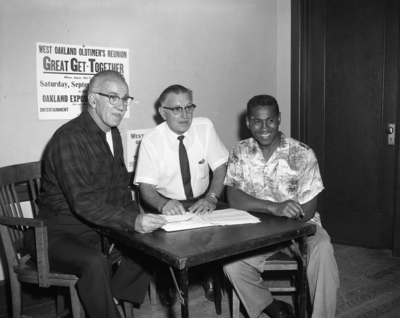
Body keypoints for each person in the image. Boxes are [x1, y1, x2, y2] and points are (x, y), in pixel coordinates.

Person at [24, 70, 166, 318]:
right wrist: (132, 221)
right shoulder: (69, 138)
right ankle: (104, 308)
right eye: (113, 97)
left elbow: (121, 188)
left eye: (125, 99)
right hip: (55, 235)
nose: (121, 106)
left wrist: (139, 221)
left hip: (97, 230)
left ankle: (105, 298)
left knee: (151, 244)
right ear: (92, 99)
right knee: (95, 262)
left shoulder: (113, 133)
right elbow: (83, 203)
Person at [223, 95, 340, 318]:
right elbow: (234, 198)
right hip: (258, 232)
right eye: (257, 121)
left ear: (279, 119)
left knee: (323, 250)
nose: (264, 127)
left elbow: (306, 211)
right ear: (248, 122)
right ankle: (275, 309)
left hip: (302, 232)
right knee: (232, 265)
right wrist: (273, 207)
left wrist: (281, 214)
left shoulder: (302, 153)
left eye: (270, 120)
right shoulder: (240, 151)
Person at [134, 84, 229, 306]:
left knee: (222, 233)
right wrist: (163, 204)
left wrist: (212, 197)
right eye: (176, 109)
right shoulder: (152, 140)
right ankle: (167, 282)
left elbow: (221, 168)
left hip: (203, 198)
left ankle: (209, 276)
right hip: (168, 201)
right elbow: (145, 188)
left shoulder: (204, 127)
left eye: (189, 107)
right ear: (162, 112)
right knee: (170, 241)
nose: (184, 115)